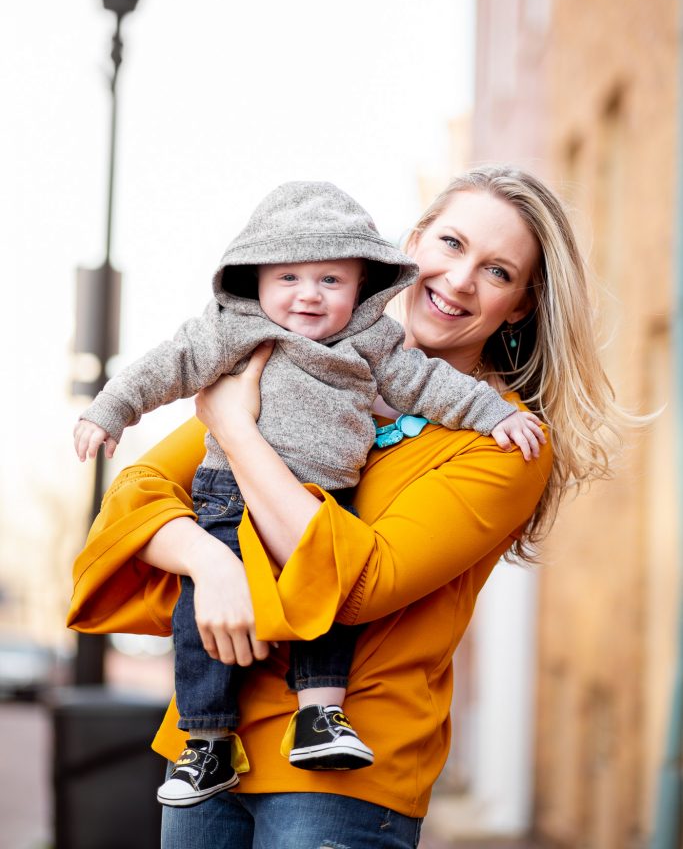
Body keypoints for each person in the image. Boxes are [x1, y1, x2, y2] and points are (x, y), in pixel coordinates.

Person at [68, 166, 626, 849]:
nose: (457, 280)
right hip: (208, 744)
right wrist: (210, 563)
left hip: (344, 772)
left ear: (518, 305)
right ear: (410, 244)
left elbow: (359, 583)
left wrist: (236, 429)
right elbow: (132, 500)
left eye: (497, 272)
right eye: (449, 244)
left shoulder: (505, 445)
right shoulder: (296, 362)